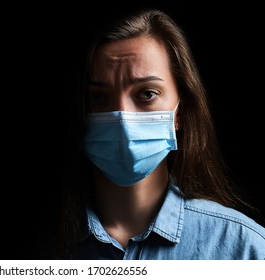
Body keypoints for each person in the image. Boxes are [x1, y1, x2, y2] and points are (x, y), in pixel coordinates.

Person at [53, 7, 265, 260]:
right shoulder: (43, 246)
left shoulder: (242, 249)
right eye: (98, 97)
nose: (122, 116)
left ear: (180, 112)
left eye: (147, 94)